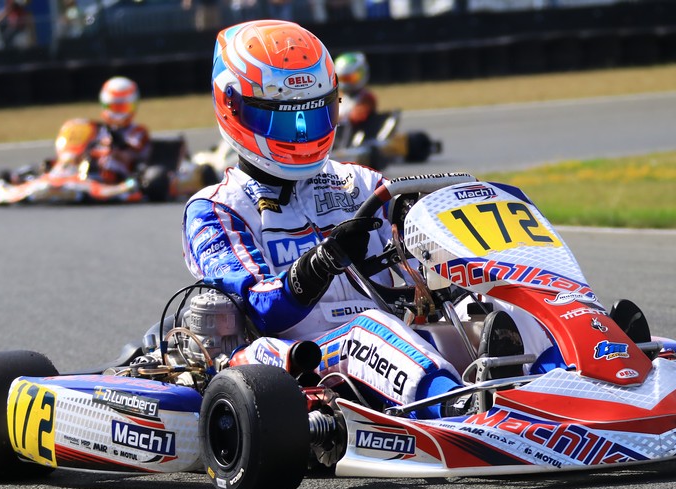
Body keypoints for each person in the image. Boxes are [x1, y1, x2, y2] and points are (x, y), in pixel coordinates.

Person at [182, 20, 535, 419]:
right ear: (233, 105)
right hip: (286, 362)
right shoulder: (216, 209)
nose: (300, 135)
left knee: (495, 291)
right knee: (367, 331)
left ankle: (561, 374)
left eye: (313, 114)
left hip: (394, 345)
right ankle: (459, 407)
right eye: (283, 118)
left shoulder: (360, 183)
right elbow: (262, 310)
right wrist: (322, 263)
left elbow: (425, 238)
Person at [89, 76, 151, 184]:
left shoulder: (138, 131)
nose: (118, 113)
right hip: (93, 167)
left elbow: (129, 156)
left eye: (122, 108)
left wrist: (114, 145)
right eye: (114, 107)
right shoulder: (97, 129)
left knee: (111, 162)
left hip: (125, 176)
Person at [335, 51, 378, 133]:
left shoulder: (366, 98)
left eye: (351, 78)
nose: (347, 82)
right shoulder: (336, 96)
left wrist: (336, 119)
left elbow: (357, 117)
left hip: (355, 136)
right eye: (344, 78)